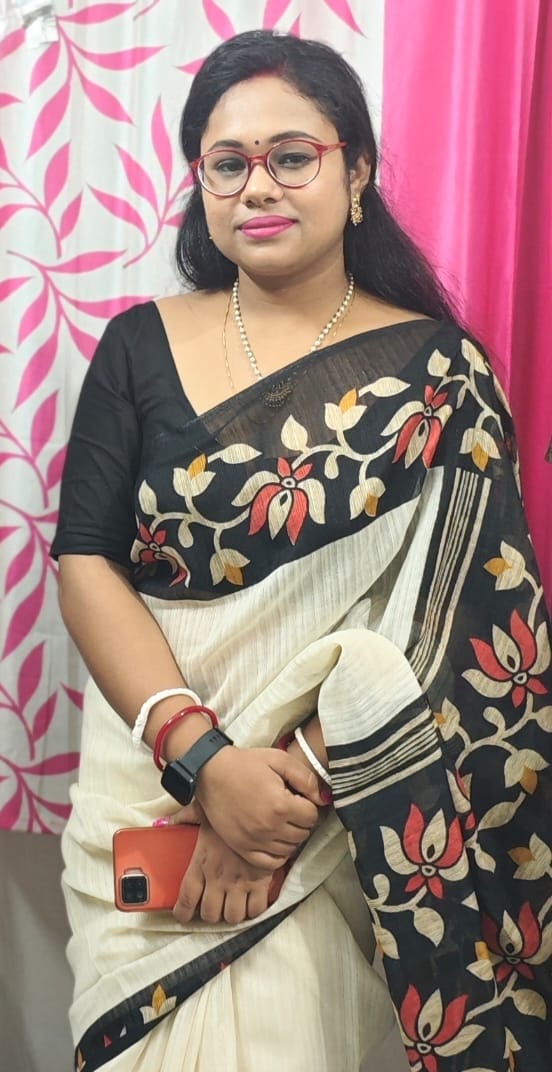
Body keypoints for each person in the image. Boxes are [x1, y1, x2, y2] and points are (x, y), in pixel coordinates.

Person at [51, 29, 551, 1072]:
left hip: (332, 823)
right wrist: (203, 762)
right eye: (227, 163)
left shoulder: (440, 377)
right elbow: (89, 560)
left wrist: (280, 797)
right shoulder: (139, 344)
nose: (257, 186)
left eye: (292, 155)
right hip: (147, 794)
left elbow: (460, 616)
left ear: (356, 170)